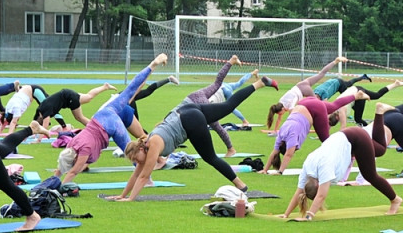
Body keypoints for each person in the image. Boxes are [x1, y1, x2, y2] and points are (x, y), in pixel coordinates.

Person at [107, 72, 278, 201]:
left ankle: (240, 184)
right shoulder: (144, 146)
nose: (139, 162)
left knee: (210, 157)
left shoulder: (153, 145)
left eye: (138, 158)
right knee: (228, 106)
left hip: (189, 121)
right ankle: (260, 83)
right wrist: (122, 195)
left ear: (140, 149)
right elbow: (136, 174)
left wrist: (129, 200)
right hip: (188, 110)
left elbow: (143, 177)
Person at [278, 103, 403, 220]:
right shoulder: (307, 168)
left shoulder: (324, 168)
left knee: (370, 174)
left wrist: (309, 216)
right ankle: (379, 113)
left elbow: (321, 196)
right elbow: (299, 192)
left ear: (318, 184)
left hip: (356, 138)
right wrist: (286, 214)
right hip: (346, 137)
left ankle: (395, 200)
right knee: (380, 150)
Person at [56, 55, 168, 184]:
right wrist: (51, 182)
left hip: (111, 124)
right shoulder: (70, 146)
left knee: (131, 152)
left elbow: (73, 172)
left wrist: (58, 187)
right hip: (102, 114)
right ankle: (153, 65)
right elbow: (63, 167)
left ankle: (147, 179)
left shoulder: (83, 150)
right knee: (129, 90)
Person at [179, 56, 277, 157]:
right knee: (228, 85)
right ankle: (237, 65)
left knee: (225, 115)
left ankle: (234, 143)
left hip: (208, 99)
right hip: (207, 92)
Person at [260, 89, 369, 174]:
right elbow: (274, 153)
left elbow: (288, 155)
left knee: (327, 142)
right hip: (304, 102)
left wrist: (280, 172)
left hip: (314, 109)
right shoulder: (280, 135)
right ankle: (356, 96)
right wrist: (265, 170)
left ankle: (351, 151)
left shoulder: (291, 137)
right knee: (333, 106)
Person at [267, 57, 347, 131]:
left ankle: (331, 116)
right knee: (321, 74)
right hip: (302, 84)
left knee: (319, 106)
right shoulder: (281, 102)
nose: (281, 115)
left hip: (305, 90)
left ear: (281, 109)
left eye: (280, 113)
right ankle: (335, 61)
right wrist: (275, 131)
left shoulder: (288, 104)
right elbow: (279, 119)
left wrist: (289, 127)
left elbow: (291, 115)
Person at [32, 82, 118, 131]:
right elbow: (57, 116)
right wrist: (64, 127)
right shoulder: (42, 109)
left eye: (40, 122)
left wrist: (38, 140)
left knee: (79, 117)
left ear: (39, 117)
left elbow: (45, 127)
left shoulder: (44, 111)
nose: (43, 122)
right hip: (67, 95)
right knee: (88, 97)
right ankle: (105, 87)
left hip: (69, 98)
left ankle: (99, 129)